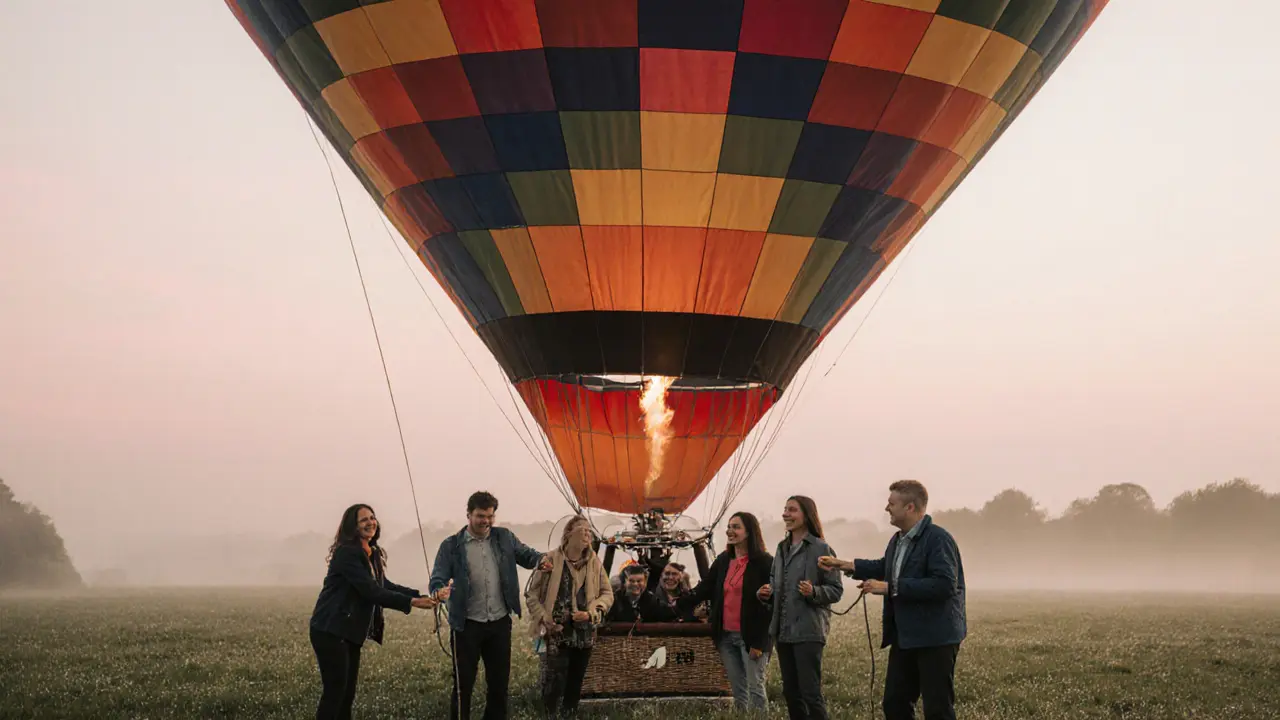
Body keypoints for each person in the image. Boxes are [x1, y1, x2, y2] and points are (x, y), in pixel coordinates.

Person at [819, 480, 966, 720]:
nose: (886, 508)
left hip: (936, 638)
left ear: (909, 507)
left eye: (891, 503)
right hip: (905, 637)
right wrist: (845, 564)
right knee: (895, 704)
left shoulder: (939, 539)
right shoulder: (898, 539)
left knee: (937, 709)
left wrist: (890, 588)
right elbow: (885, 567)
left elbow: (944, 584)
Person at [309, 503, 439, 720]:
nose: (370, 522)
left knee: (347, 695)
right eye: (363, 520)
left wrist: (421, 595)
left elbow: (383, 585)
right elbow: (371, 591)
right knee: (335, 693)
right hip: (331, 630)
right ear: (353, 526)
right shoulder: (347, 554)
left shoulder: (370, 552)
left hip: (349, 632)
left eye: (372, 518)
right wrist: (412, 602)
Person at [429, 491, 551, 720]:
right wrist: (439, 590)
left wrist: (541, 560)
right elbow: (438, 576)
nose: (486, 521)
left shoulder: (504, 537)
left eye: (490, 516)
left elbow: (525, 554)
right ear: (468, 515)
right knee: (463, 684)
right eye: (480, 516)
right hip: (466, 625)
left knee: (498, 683)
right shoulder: (451, 545)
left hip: (499, 622)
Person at [757, 496, 843, 720]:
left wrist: (814, 592)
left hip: (808, 630)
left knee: (810, 693)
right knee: (791, 692)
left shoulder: (821, 548)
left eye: (792, 510)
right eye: (785, 509)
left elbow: (836, 590)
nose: (786, 514)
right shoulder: (781, 548)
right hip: (783, 631)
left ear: (807, 515)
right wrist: (766, 593)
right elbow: (776, 582)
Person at [678, 512, 774, 712]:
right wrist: (677, 603)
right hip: (726, 636)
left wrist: (760, 642)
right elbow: (705, 587)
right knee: (738, 690)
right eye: (729, 527)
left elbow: (770, 605)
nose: (730, 531)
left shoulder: (764, 562)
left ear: (750, 532)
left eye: (736, 527)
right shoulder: (724, 560)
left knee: (755, 687)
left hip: (751, 637)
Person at [525, 515, 614, 718]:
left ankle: (570, 715)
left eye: (589, 531)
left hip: (584, 634)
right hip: (555, 632)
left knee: (575, 682)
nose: (587, 533)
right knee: (553, 683)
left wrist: (593, 612)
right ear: (568, 534)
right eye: (582, 529)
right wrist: (543, 617)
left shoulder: (594, 562)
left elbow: (607, 594)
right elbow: (531, 594)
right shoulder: (549, 560)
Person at [606, 564, 675, 623]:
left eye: (639, 581)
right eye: (631, 581)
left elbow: (670, 618)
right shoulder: (613, 601)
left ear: (645, 582)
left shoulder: (654, 602)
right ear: (624, 583)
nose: (635, 584)